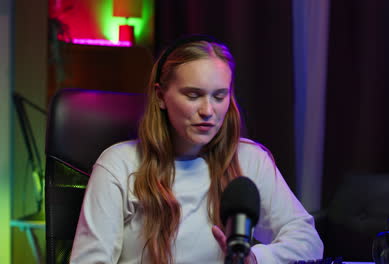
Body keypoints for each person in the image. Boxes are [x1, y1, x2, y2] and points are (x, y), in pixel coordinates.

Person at [70, 35, 324, 264]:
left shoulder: (250, 160)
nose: (208, 111)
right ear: (160, 96)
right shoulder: (119, 165)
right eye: (193, 95)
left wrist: (256, 258)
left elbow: (308, 242)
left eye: (219, 96)